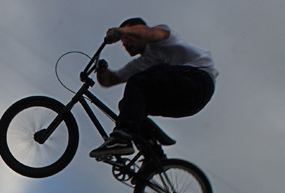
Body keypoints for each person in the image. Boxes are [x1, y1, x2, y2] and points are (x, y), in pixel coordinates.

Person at [89, 18, 217, 158]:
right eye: (122, 41)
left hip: (198, 80)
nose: (125, 43)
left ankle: (121, 139)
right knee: (129, 104)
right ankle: (153, 157)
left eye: (127, 38)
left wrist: (121, 31)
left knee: (138, 81)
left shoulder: (162, 39)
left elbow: (148, 33)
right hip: (188, 103)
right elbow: (111, 80)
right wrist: (101, 71)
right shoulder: (141, 64)